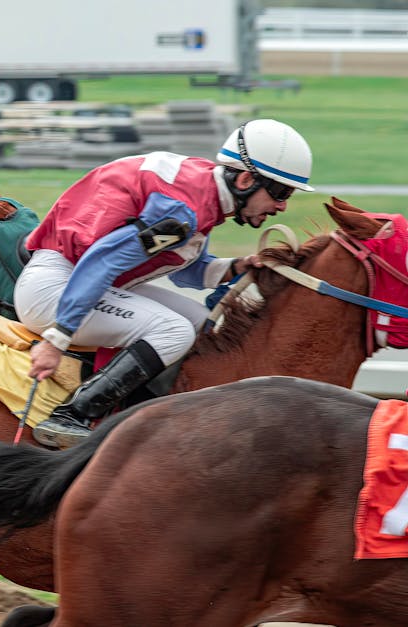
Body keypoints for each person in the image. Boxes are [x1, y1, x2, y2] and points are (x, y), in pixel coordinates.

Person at [18, 118, 314, 449]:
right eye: (280, 192)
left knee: (202, 323)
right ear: (245, 179)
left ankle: (139, 409)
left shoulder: (201, 193)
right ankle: (72, 415)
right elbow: (104, 261)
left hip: (81, 278)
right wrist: (56, 340)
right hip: (58, 286)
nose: (283, 205)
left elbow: (181, 266)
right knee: (174, 331)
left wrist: (237, 267)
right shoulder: (183, 210)